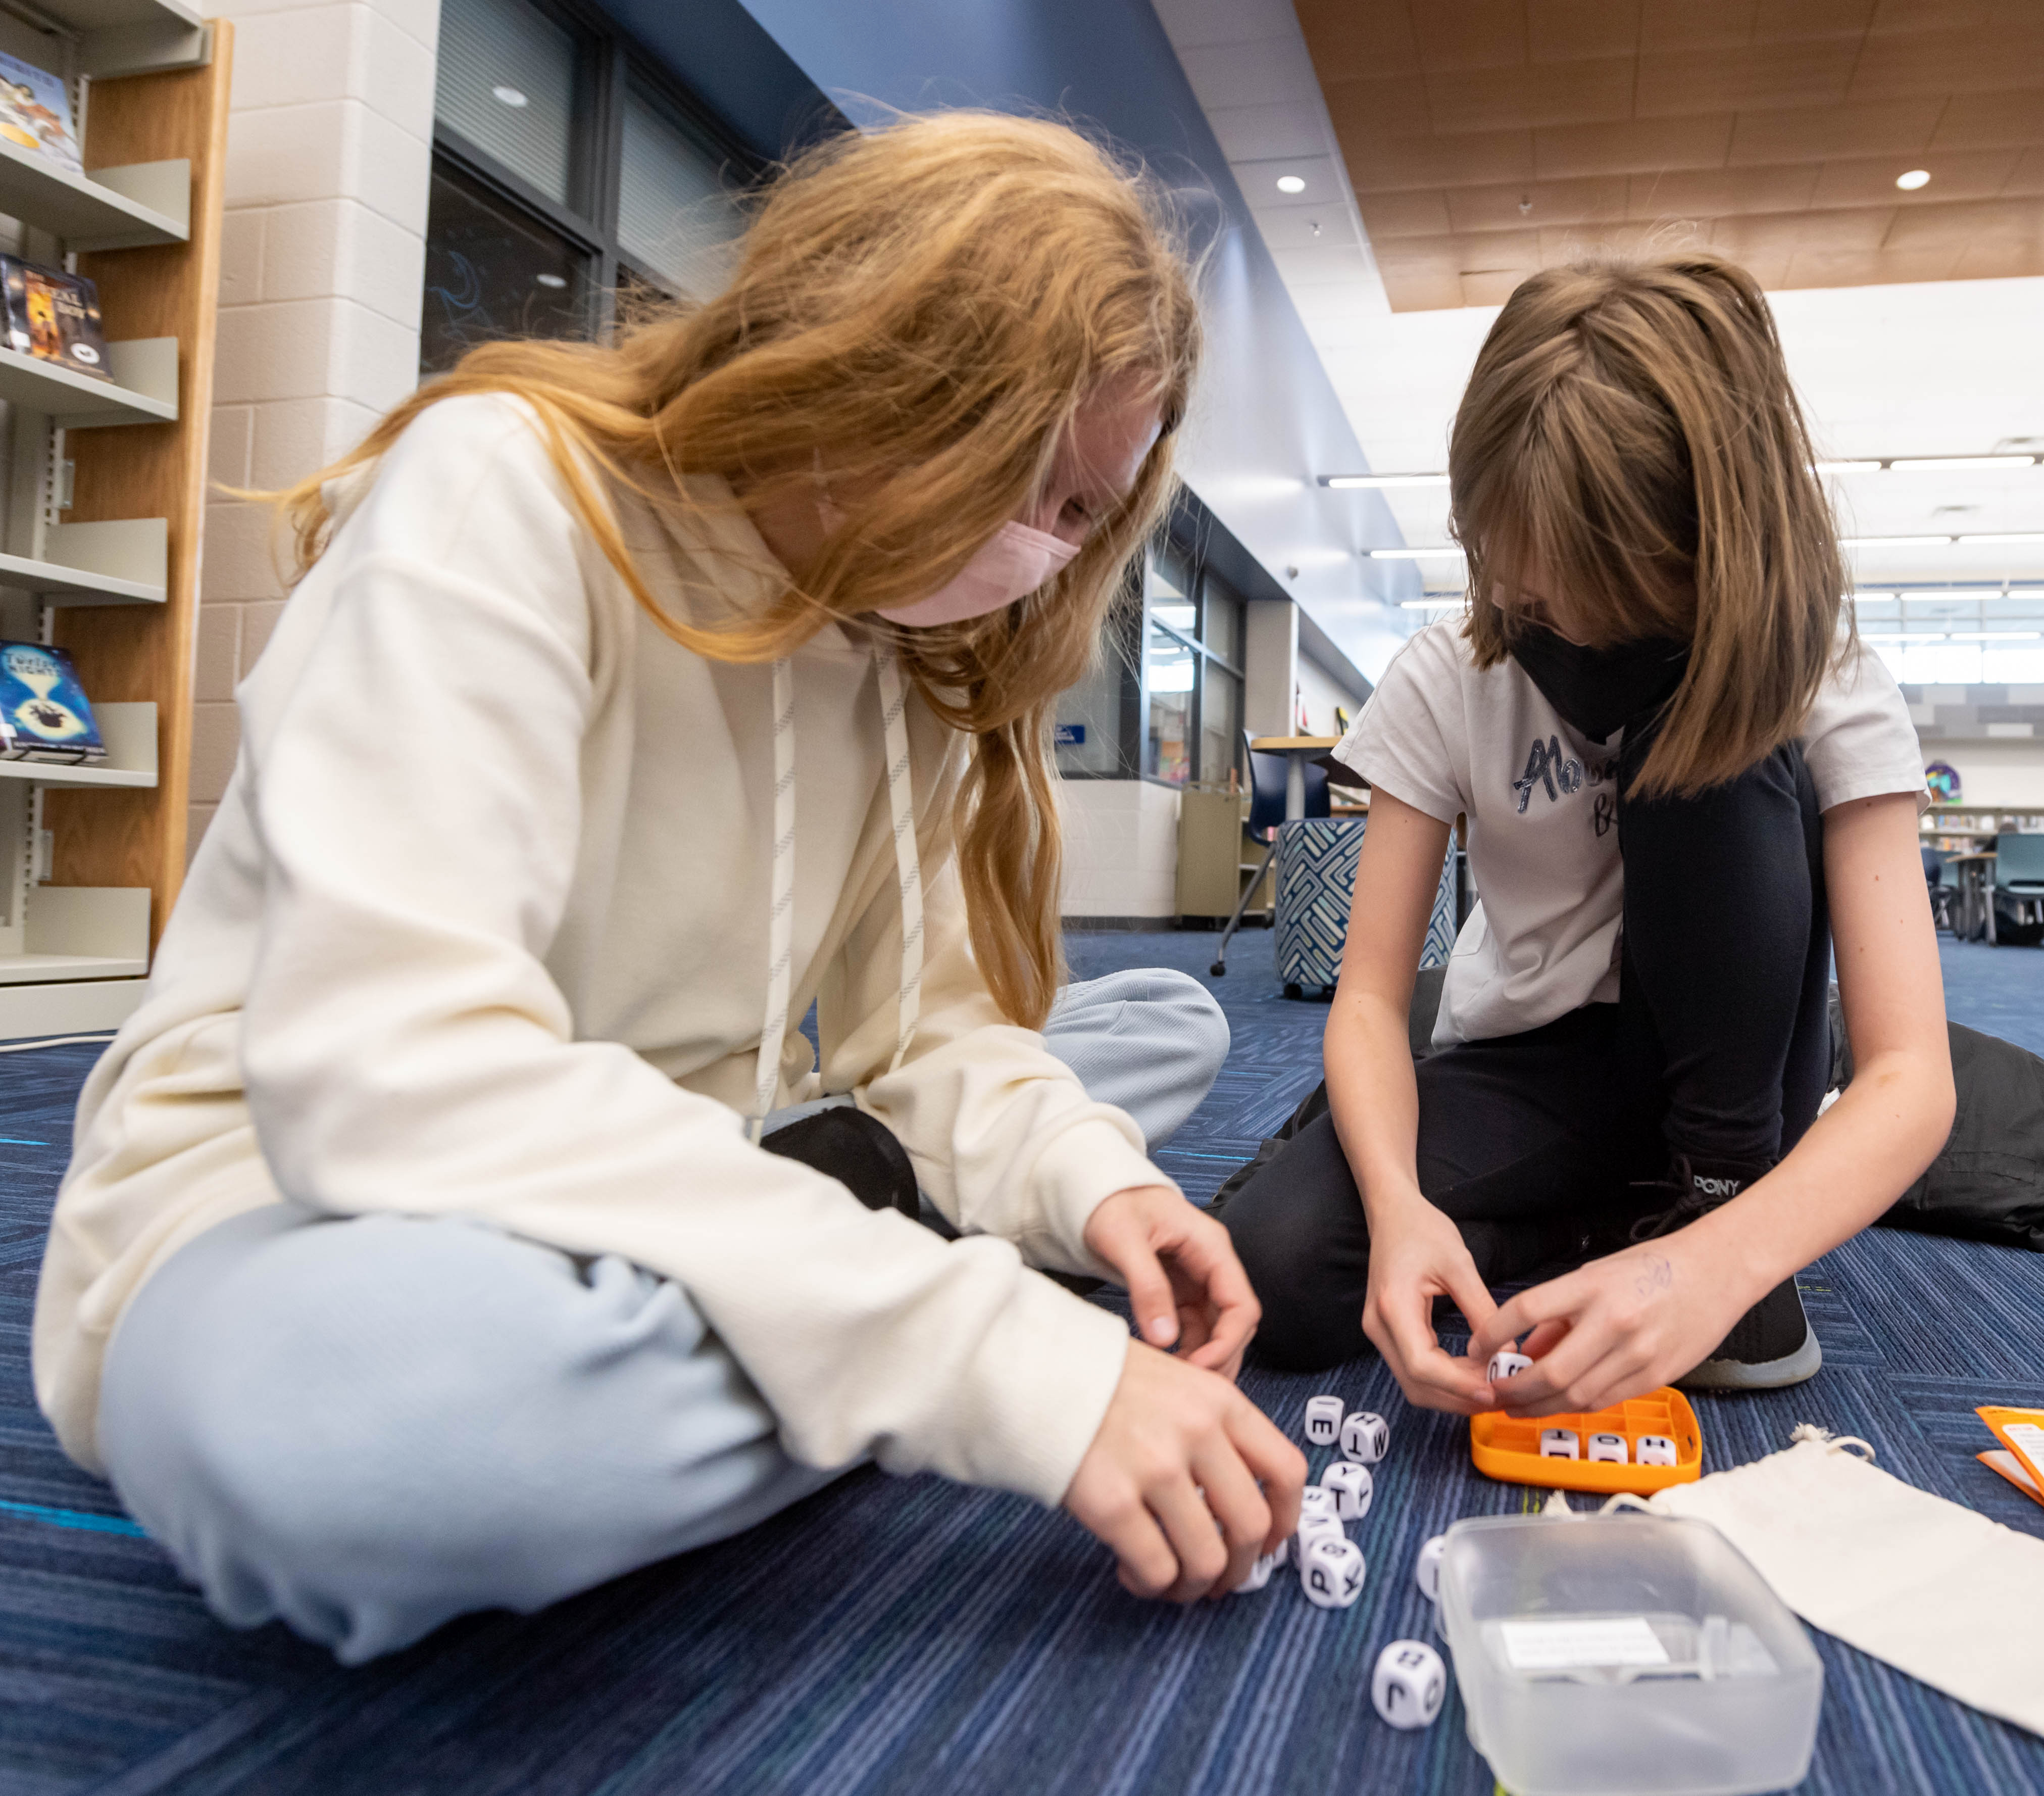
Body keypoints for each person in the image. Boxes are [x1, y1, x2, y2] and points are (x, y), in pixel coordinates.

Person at [31, 114, 1305, 1665]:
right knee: (343, 1454)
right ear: (872, 361)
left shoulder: (900, 640)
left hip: (695, 1147)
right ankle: (868, 1264)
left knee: (1154, 1032)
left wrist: (1105, 1193)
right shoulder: (501, 487)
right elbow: (383, 1079)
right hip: (301, 1193)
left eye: (1080, 513)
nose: (1037, 546)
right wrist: (996, 1353)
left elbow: (931, 1034)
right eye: (1017, 474)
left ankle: (834, 1267)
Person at [1219, 256, 1955, 1417]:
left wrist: (1722, 1261)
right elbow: (1367, 997)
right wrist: (1403, 1211)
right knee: (1283, 1269)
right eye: (1509, 582)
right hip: (1533, 1068)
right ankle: (1611, 1226)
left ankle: (1708, 1206)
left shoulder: (1824, 680)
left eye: (1564, 598)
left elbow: (1911, 1075)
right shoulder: (1449, 672)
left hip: (1739, 1080)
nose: (1526, 611)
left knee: (1715, 738)